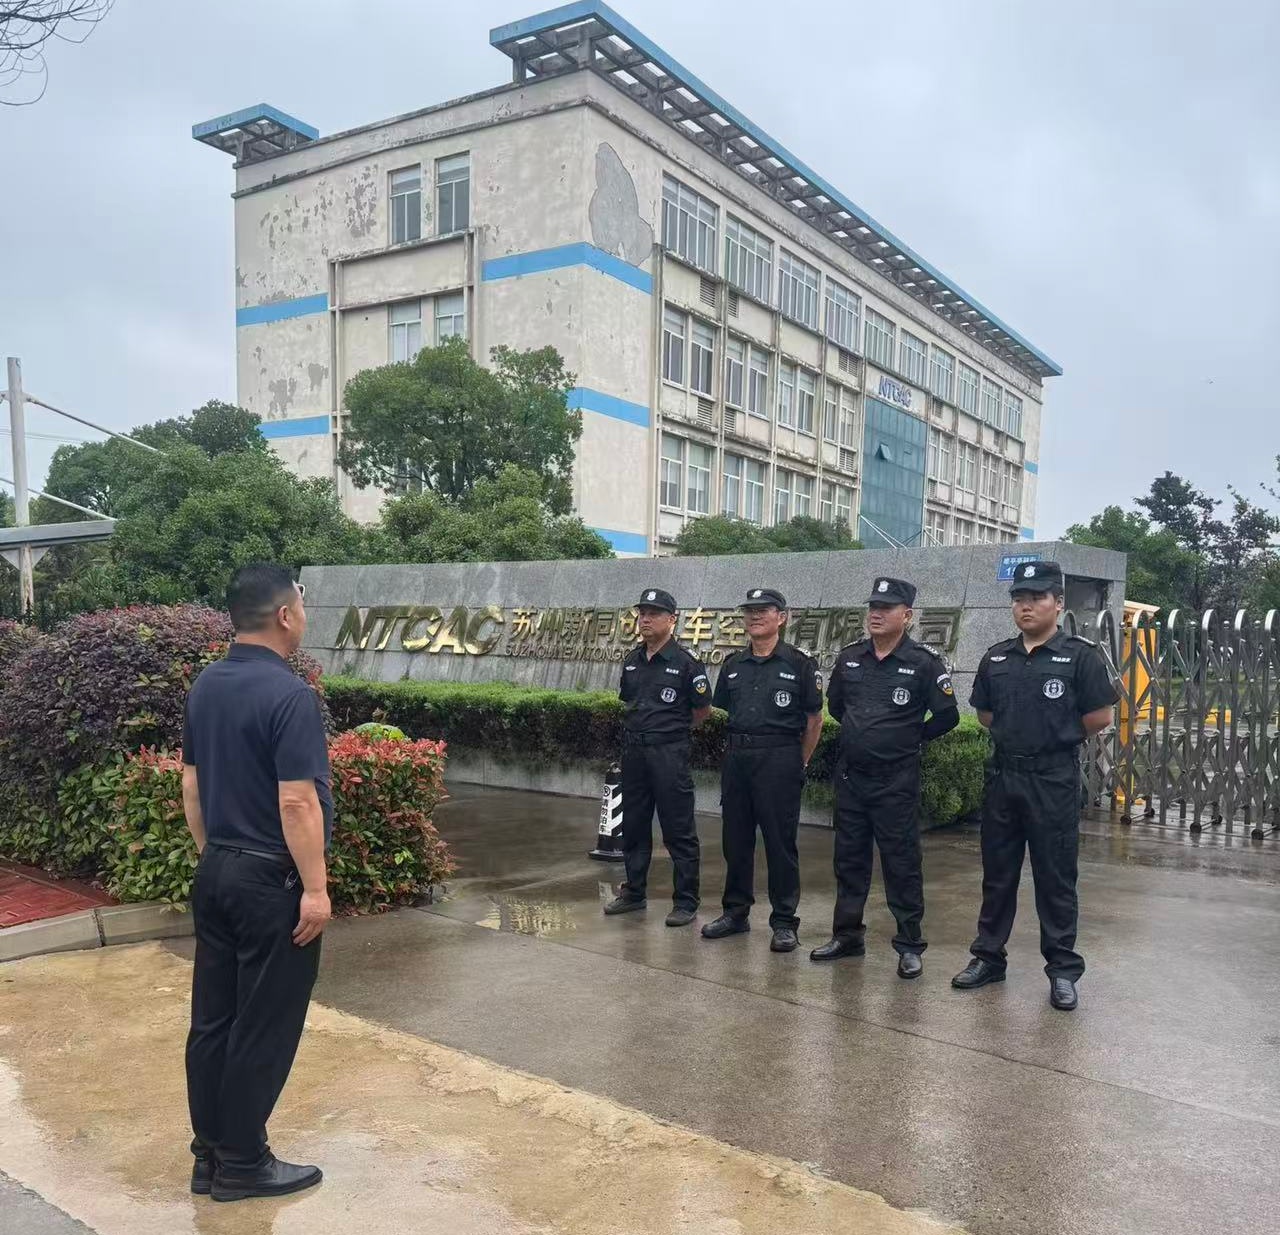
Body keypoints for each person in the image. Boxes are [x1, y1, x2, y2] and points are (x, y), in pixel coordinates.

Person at [181, 564, 332, 1202]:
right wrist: (315, 890)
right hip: (270, 880)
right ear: (285, 615)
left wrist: (217, 857)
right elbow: (297, 801)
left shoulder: (206, 685)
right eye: (301, 604)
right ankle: (243, 1161)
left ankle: (210, 1154)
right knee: (263, 1023)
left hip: (217, 868)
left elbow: (191, 785)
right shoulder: (289, 695)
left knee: (214, 1019)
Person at [952, 561, 1118, 1011]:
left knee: (1055, 877)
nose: (1026, 606)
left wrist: (1052, 739)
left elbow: (1100, 716)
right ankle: (988, 957)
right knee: (998, 874)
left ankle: (1062, 970)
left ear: (1058, 603)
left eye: (1037, 598)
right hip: (1004, 777)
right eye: (1019, 599)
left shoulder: (1080, 656)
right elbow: (986, 714)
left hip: (1052, 779)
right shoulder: (997, 657)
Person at [810, 577, 958, 977]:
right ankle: (847, 936)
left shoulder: (923, 663)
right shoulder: (850, 657)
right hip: (852, 779)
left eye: (886, 608)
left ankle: (909, 944)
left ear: (906, 615)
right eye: (873, 606)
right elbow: (837, 707)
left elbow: (947, 716)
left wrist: (910, 738)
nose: (876, 613)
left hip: (896, 781)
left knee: (901, 862)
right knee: (849, 859)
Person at [703, 587, 824, 953]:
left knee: (780, 844)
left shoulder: (800, 664)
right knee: (735, 841)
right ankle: (735, 913)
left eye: (764, 610)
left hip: (779, 759)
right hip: (738, 758)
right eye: (750, 611)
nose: (755, 616)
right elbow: (723, 709)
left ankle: (784, 922)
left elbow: (814, 720)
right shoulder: (733, 665)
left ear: (781, 618)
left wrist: (798, 761)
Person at [604, 588, 712, 926]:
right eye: (642, 613)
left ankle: (686, 901)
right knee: (634, 825)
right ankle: (634, 893)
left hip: (668, 754)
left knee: (678, 829)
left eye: (654, 614)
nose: (645, 619)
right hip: (634, 753)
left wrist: (670, 734)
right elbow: (629, 703)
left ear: (672, 619)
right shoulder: (632, 660)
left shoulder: (686, 663)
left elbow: (702, 711)